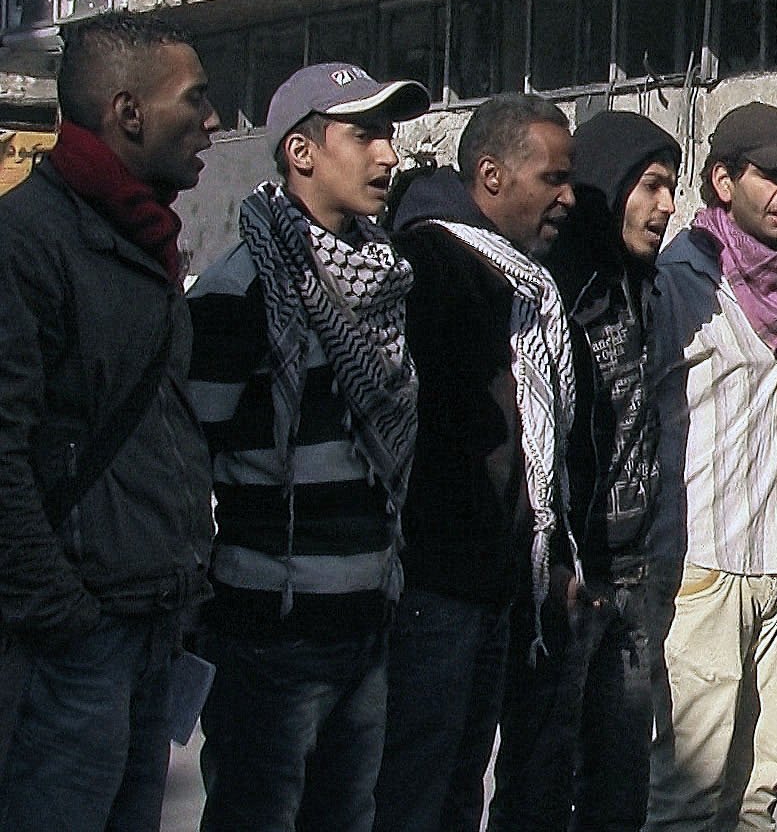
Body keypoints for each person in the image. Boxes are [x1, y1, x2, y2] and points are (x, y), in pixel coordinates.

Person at [188, 62, 428, 832]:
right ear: (301, 152)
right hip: (270, 639)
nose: (389, 155)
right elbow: (191, 457)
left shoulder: (386, 280)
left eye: (389, 134)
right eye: (365, 134)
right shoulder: (242, 289)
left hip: (364, 625)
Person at [0, 11, 218, 831]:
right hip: (74, 641)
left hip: (146, 625)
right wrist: (63, 615)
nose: (212, 122)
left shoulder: (142, 237)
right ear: (127, 112)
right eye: (193, 100)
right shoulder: (30, 242)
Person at [375, 93, 579, 832]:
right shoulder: (432, 267)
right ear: (490, 176)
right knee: (416, 794)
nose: (566, 198)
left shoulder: (519, 282)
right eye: (551, 179)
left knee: (460, 791)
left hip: (493, 588)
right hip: (437, 588)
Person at [490, 111, 682, 832]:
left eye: (671, 188)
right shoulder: (552, 291)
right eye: (653, 186)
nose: (667, 207)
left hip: (631, 576)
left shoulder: (642, 285)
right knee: (539, 786)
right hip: (569, 585)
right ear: (611, 185)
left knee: (618, 793)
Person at [645, 101, 777, 832]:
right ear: (723, 181)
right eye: (772, 173)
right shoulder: (679, 282)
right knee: (690, 795)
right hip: (706, 570)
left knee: (758, 794)